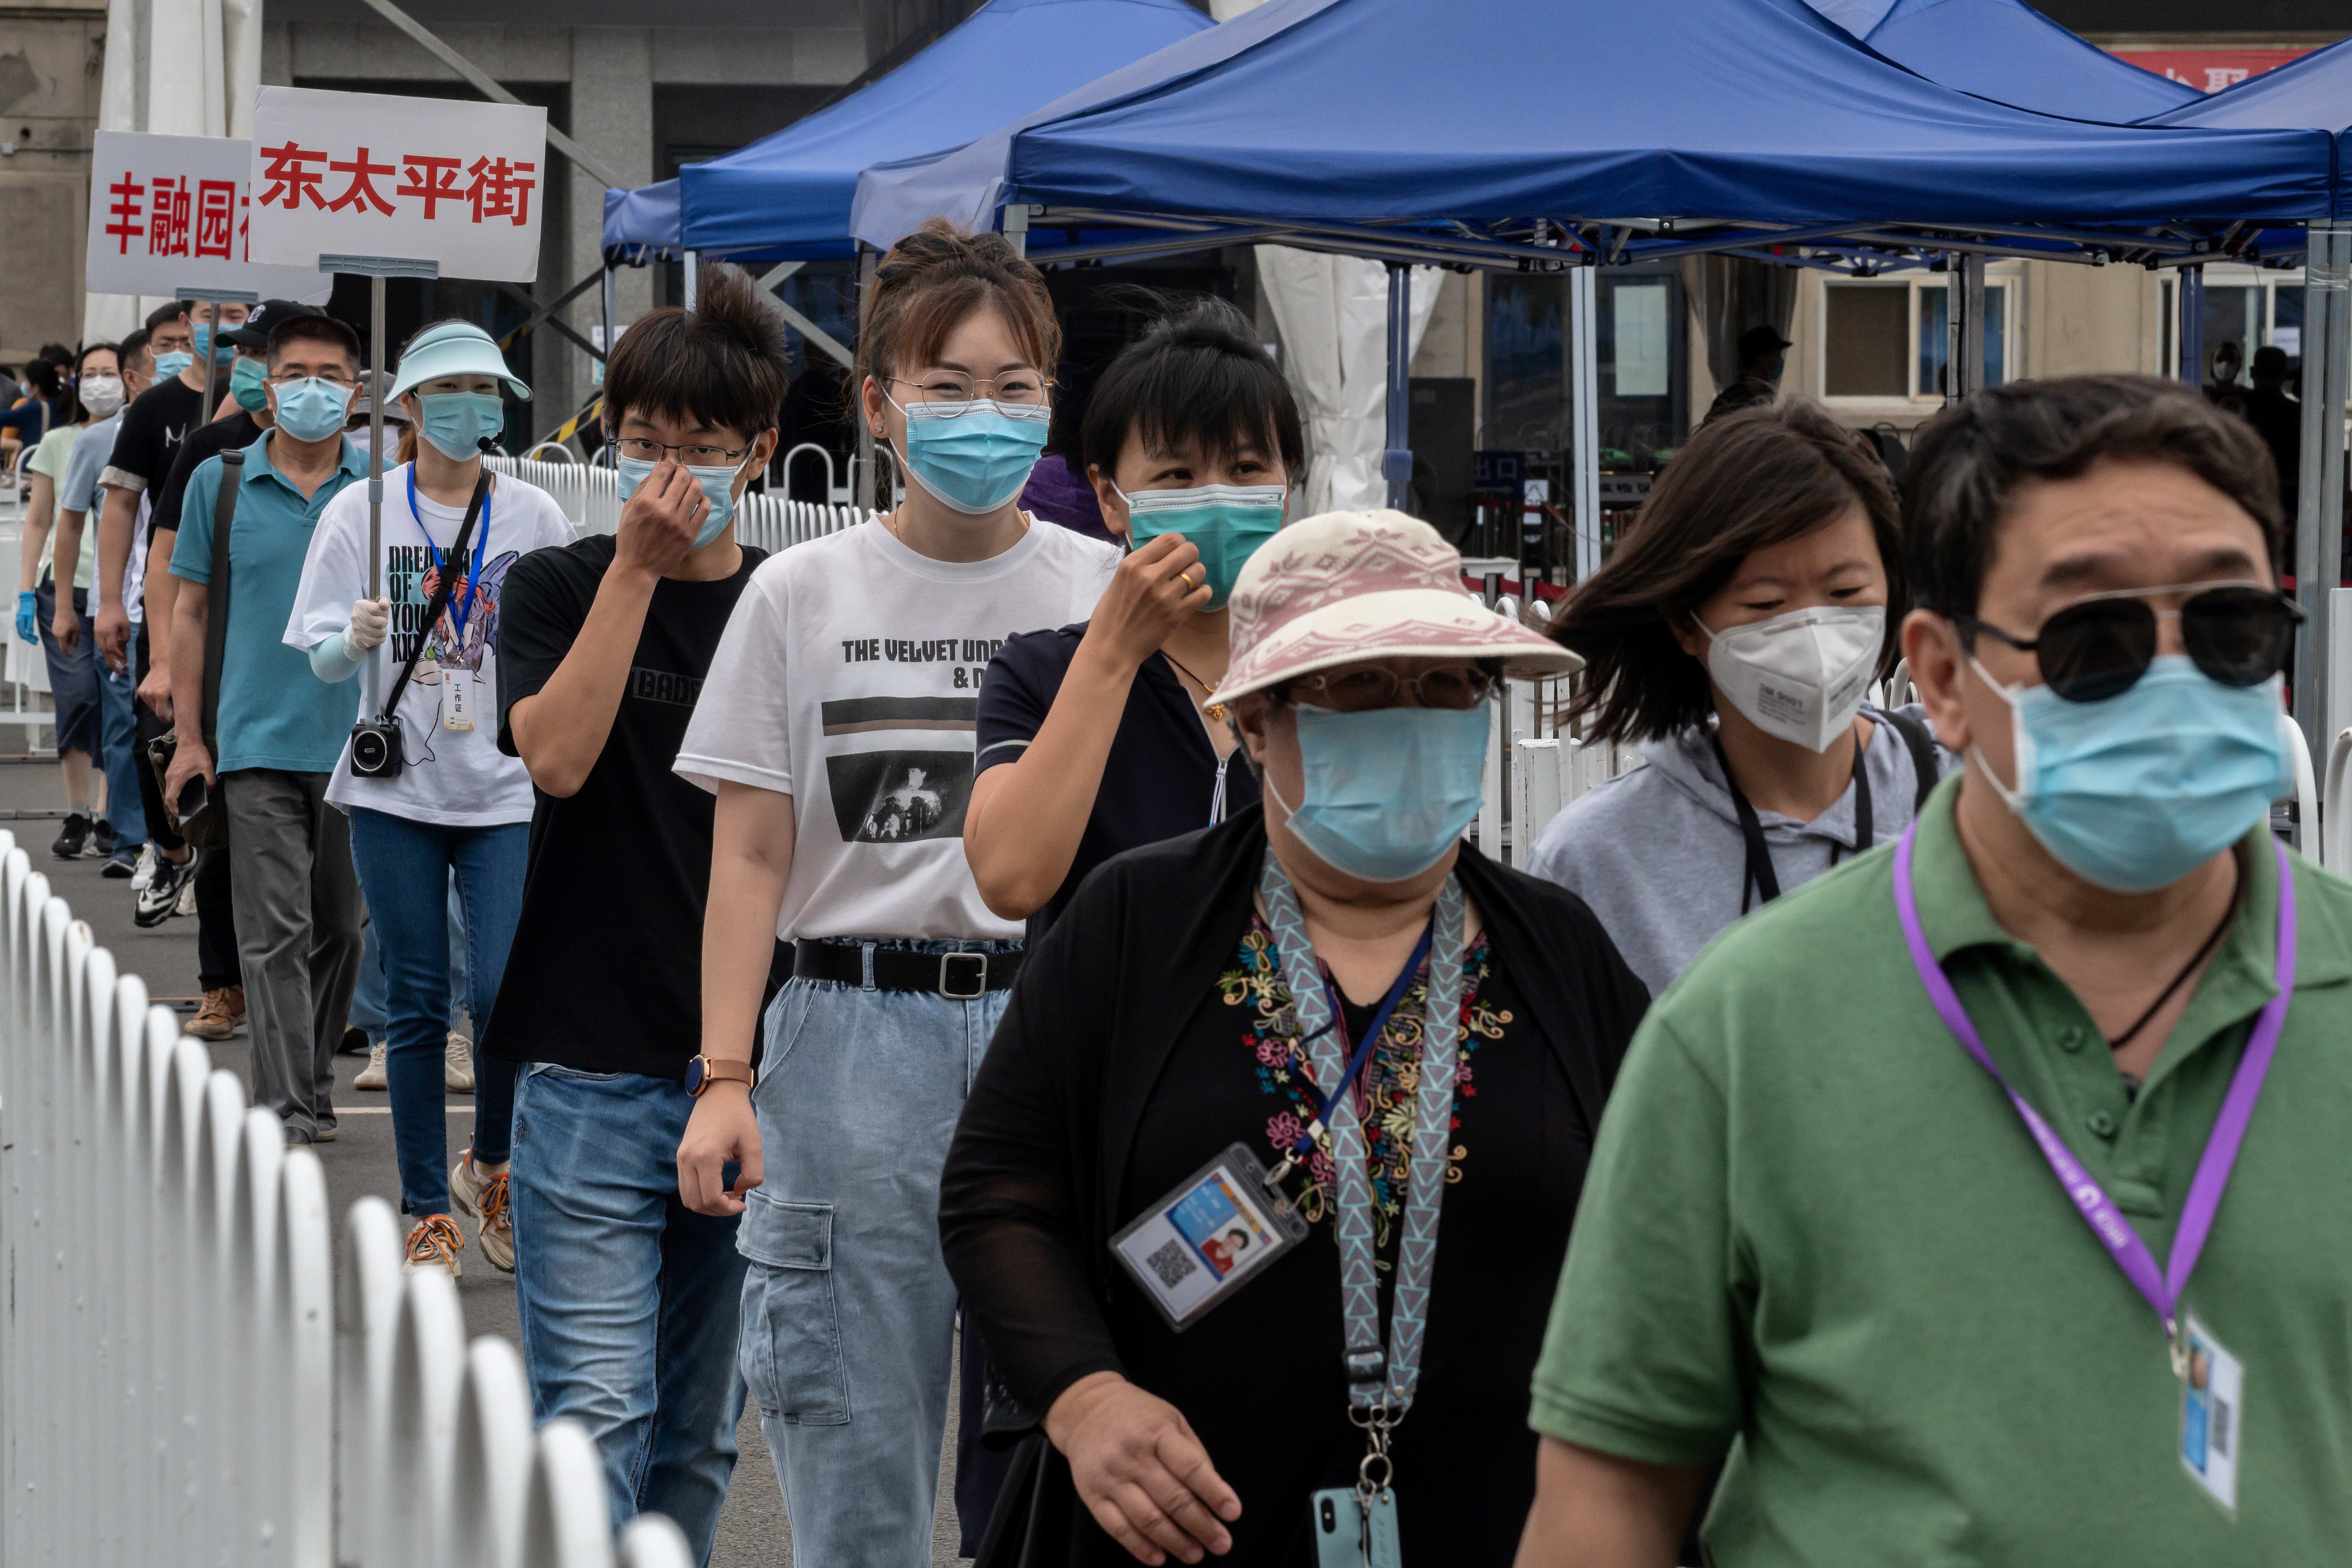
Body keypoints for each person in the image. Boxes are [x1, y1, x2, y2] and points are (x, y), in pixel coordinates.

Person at [1516, 374, 2352, 1567]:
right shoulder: (1739, 1030)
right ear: (1947, 675)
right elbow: (1607, 1504)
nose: (2175, 683)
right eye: (2092, 640)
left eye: (2229, 630)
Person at [941, 509, 1646, 1567]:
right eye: (1359, 685)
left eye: (1444, 685)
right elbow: (1000, 1191)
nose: (1409, 715)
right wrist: (1085, 1401)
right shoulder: (1137, 921)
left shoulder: (1560, 951)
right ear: (1258, 721)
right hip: (1176, 1533)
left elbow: (1670, 1228)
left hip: (1506, 1528)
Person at [672, 225, 1119, 1566]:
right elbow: (749, 855)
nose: (981, 414)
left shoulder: (1104, 593)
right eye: (946, 383)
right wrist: (723, 1072)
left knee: (1071, 1463)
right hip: (850, 1037)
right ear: (876, 403)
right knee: (855, 1463)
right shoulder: (798, 592)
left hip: (1059, 1034)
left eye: (1013, 385)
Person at [488, 268, 787, 1562]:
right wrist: (633, 576)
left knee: (696, 1432)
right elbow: (552, 757)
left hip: (754, 1072)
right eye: (644, 445)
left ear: (760, 453)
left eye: (703, 450)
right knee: (595, 1411)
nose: (670, 474)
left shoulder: (791, 604)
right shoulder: (555, 585)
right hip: (587, 1059)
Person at [287, 318, 573, 1272]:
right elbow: (322, 660)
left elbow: (572, 642)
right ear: (407, 406)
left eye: (486, 392)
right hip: (397, 789)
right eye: (448, 391)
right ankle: (423, 1211)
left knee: (502, 994)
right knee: (415, 1002)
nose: (470, 409)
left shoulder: (533, 515)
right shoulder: (360, 512)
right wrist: (354, 641)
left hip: (503, 790)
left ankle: (487, 1162)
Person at [1526, 400, 1945, 996]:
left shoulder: (1974, 796)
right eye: (1766, 604)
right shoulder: (1597, 860)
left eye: (1845, 590)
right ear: (1687, 624)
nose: (1813, 632)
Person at [968, 296, 1303, 941]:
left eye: (1246, 469)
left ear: (1285, 488)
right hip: (1104, 1039)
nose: (1215, 496)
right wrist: (1113, 653)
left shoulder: (1328, 673)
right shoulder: (1039, 672)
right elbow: (1010, 881)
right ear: (1108, 498)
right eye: (1176, 474)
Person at [164, 309, 371, 1148]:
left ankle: (312, 1080)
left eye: (330, 374)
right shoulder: (221, 479)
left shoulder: (380, 489)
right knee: (273, 930)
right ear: (267, 387)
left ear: (357, 392)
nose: (312, 389)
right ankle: (284, 1101)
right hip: (252, 740)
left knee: (341, 929)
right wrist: (189, 735)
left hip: (360, 747)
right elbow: (189, 610)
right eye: (295, 374)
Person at [52, 329, 152, 881]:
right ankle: (130, 838)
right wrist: (66, 605)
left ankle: (172, 838)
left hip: (177, 601)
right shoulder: (96, 441)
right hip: (119, 603)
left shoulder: (197, 425)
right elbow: (67, 524)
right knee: (121, 724)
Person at [16, 346, 108, 859]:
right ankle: (79, 812)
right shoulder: (57, 441)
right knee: (77, 698)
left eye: (109, 373)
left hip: (122, 587)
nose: (99, 383)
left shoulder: (138, 435)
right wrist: (27, 590)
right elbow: (39, 520)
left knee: (117, 706)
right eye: (89, 373)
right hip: (65, 588)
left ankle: (109, 813)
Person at [2241, 343, 2300, 532]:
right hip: (2289, 502)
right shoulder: (2298, 414)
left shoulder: (2239, 407)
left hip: (2248, 497)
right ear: (2284, 377)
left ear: (2252, 372)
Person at [1700, 325, 1789, 426]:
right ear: (1762, 358)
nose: (1779, 362)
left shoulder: (1767, 395)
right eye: (1777, 357)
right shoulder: (1729, 401)